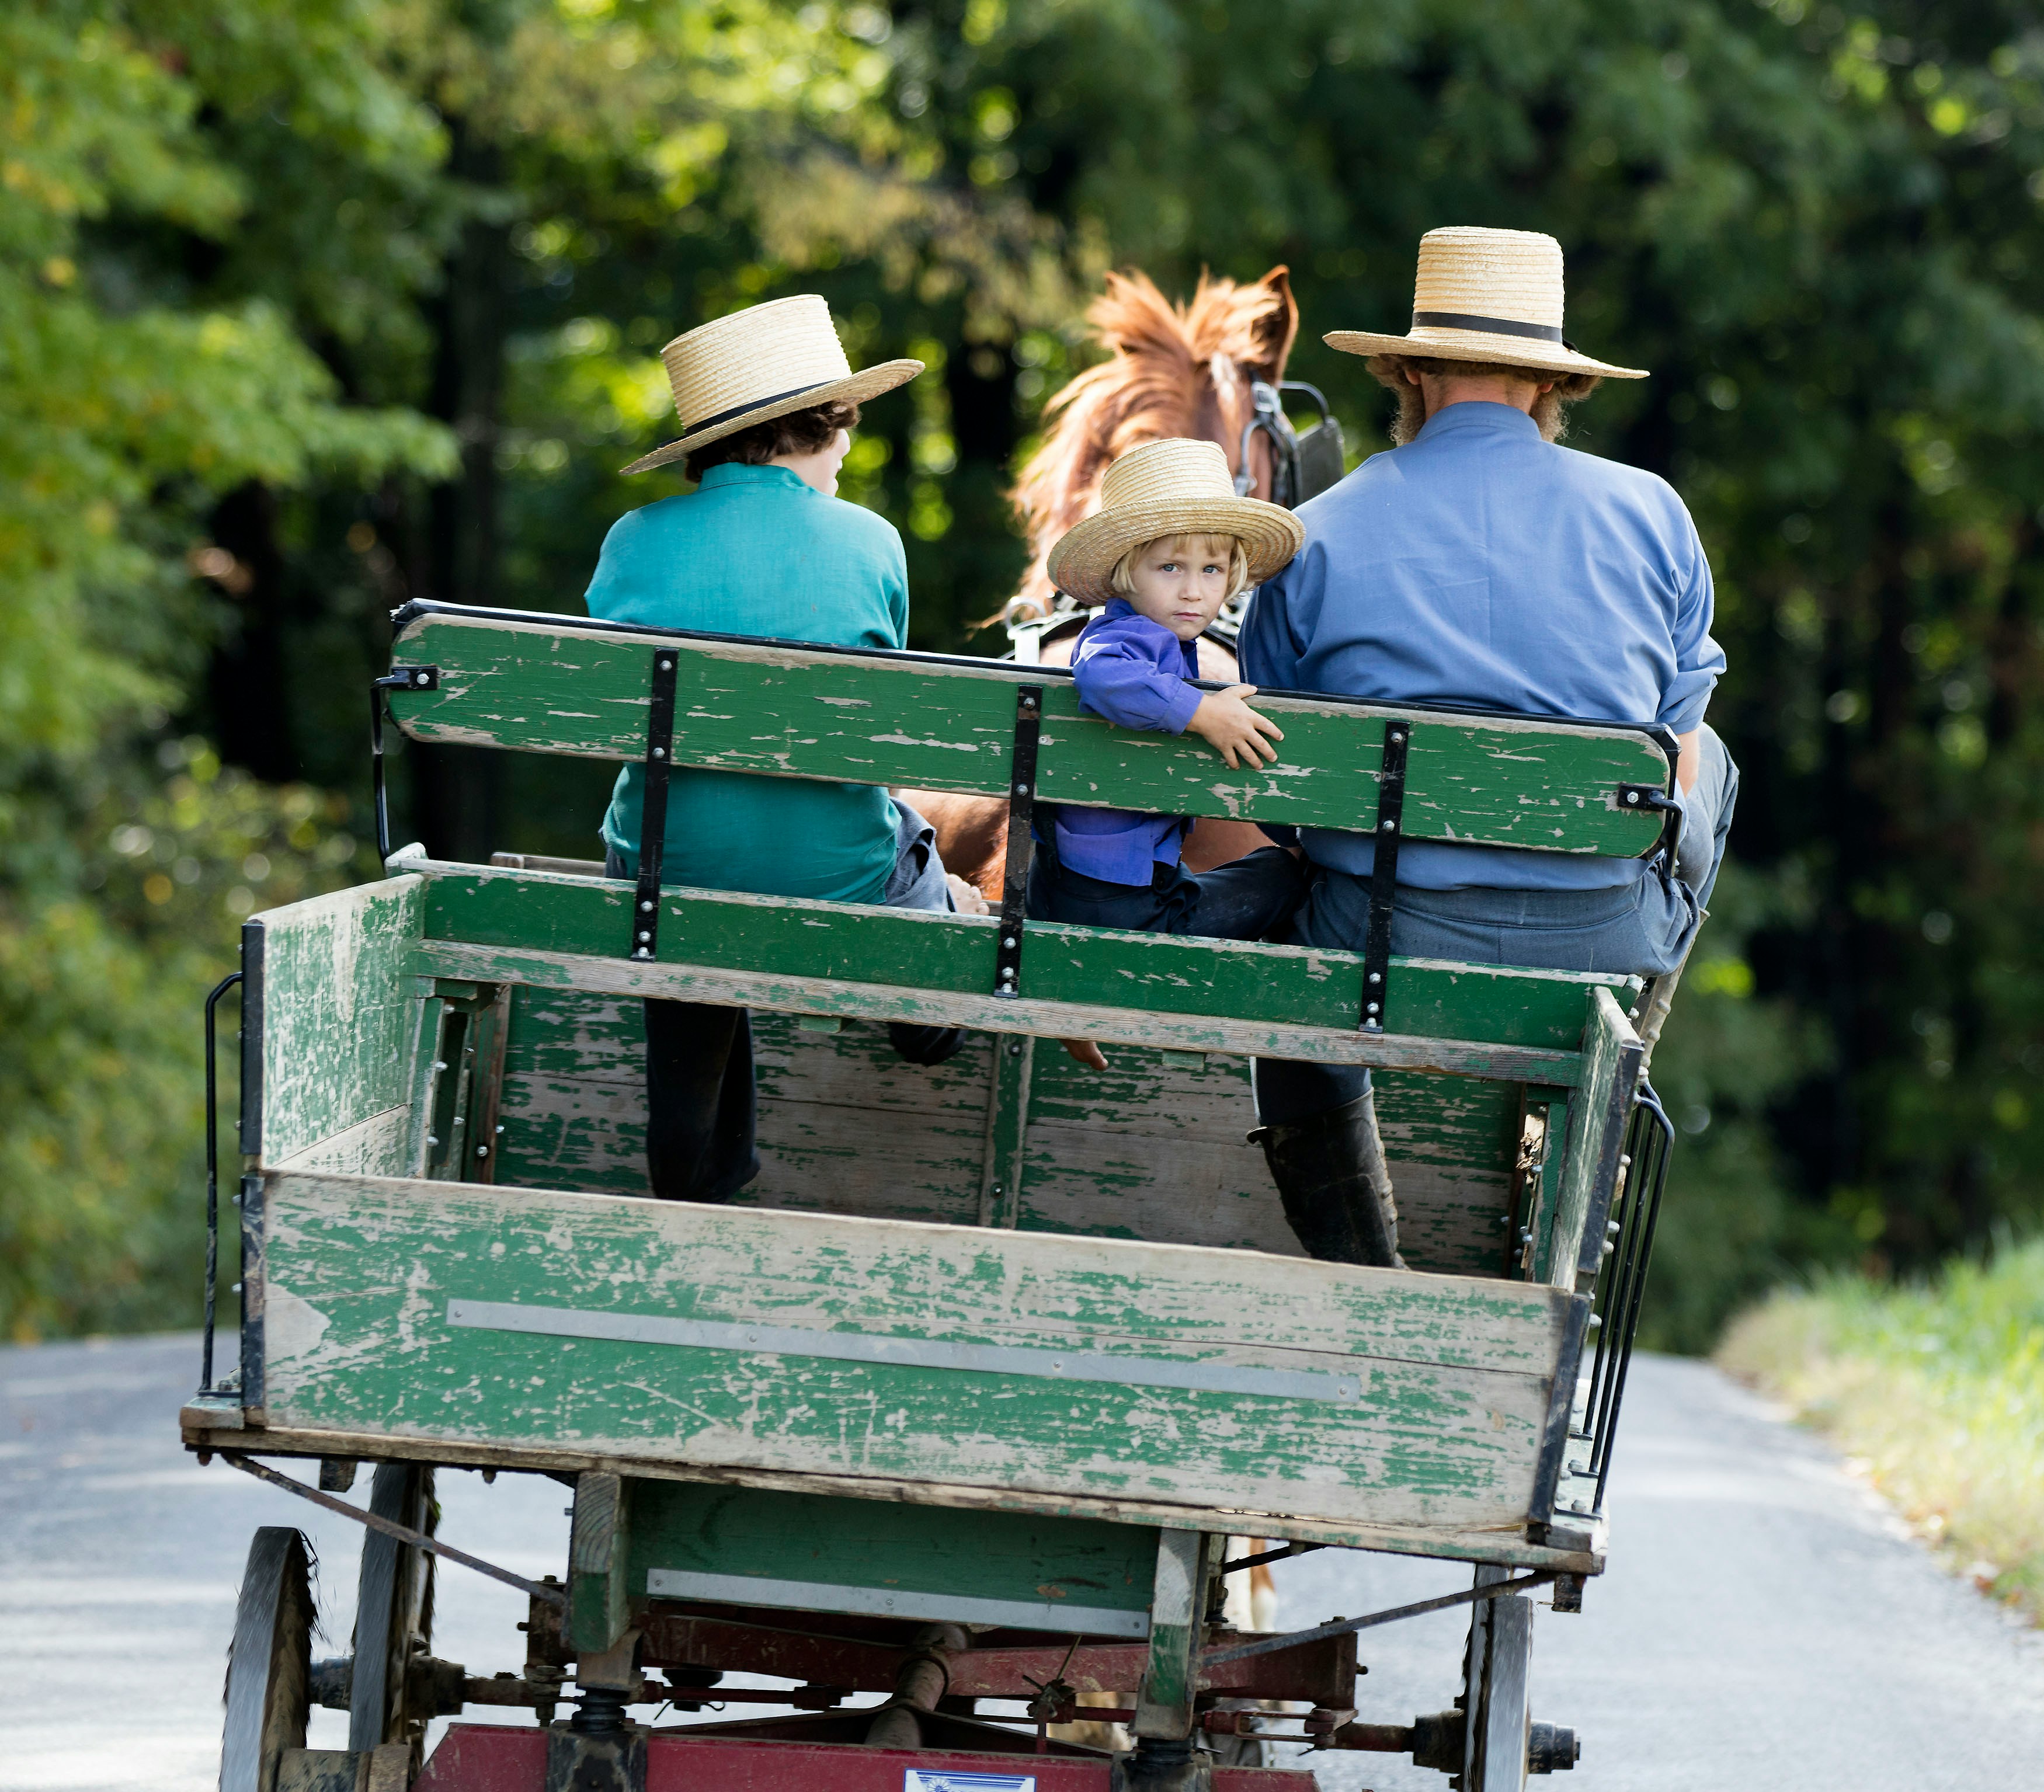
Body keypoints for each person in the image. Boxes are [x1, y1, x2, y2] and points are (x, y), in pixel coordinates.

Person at [1237, 225, 1738, 1269]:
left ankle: (1363, 1265)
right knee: (1714, 759)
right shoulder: (1654, 514)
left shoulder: (1313, 532)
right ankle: (1622, 1052)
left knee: (1292, 934)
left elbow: (1280, 789)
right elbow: (1678, 764)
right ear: (1552, 383)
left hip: (1382, 940)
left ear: (1410, 372)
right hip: (1600, 938)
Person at [587, 294, 982, 1203]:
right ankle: (929, 1016)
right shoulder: (871, 541)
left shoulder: (632, 539)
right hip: (837, 874)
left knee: (686, 881)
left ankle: (698, 1169)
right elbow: (877, 725)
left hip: (664, 871)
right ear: (821, 423)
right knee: (901, 837)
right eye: (844, 426)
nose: (847, 449)